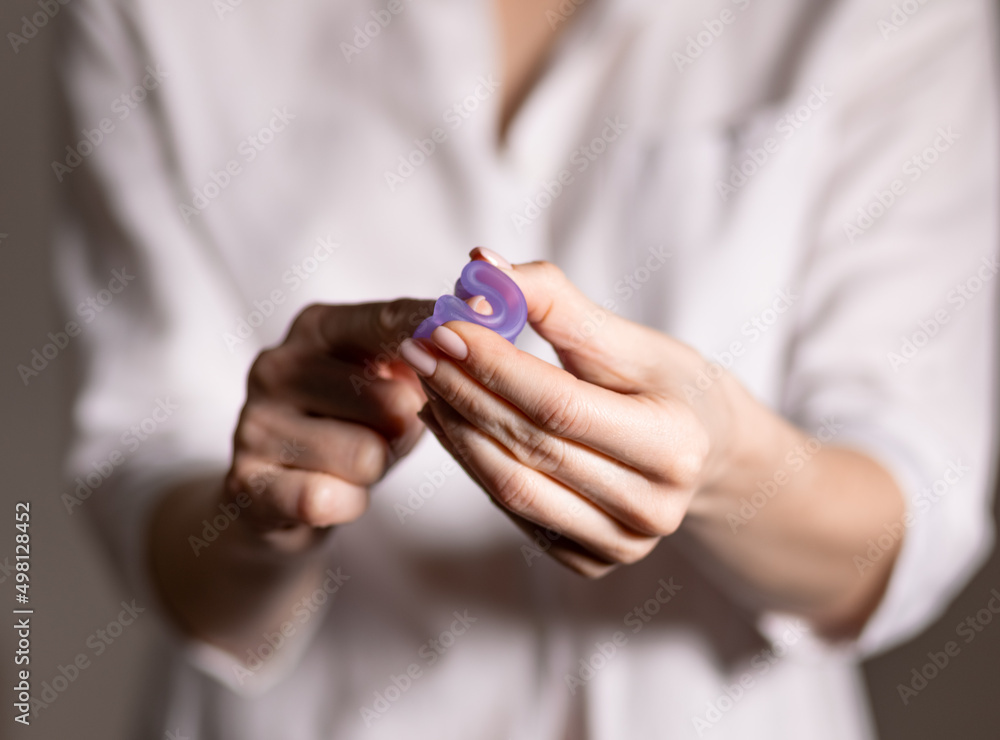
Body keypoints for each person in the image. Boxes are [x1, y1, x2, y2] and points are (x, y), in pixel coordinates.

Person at [55, 0, 997, 737]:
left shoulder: (888, 13)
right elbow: (142, 463)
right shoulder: (161, 16)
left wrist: (723, 466)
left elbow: (910, 507)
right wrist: (262, 517)